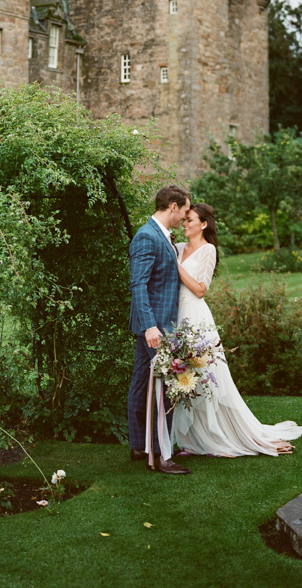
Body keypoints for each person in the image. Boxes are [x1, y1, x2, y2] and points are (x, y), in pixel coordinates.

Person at [171, 203, 302, 457]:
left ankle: (220, 435)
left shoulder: (208, 250)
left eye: (190, 219)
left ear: (203, 224)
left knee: (208, 378)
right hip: (176, 318)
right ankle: (191, 440)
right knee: (184, 377)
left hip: (196, 317)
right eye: (184, 219)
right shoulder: (178, 249)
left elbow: (201, 289)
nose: (185, 223)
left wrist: (176, 266)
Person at [127, 184, 192, 474]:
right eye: (185, 211)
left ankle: (141, 446)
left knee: (143, 383)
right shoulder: (146, 236)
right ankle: (160, 454)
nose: (185, 217)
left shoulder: (161, 235)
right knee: (159, 389)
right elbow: (138, 284)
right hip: (154, 327)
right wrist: (150, 326)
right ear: (173, 207)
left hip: (160, 324)